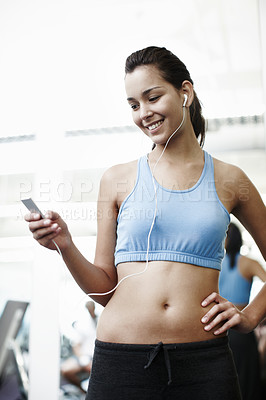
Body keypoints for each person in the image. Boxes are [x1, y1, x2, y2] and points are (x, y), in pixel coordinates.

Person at [24, 46, 266, 400]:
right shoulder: (116, 180)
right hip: (122, 363)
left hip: (203, 364)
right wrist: (65, 245)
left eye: (152, 97)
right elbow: (104, 290)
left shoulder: (231, 180)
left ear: (185, 92)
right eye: (134, 105)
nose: (144, 113)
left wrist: (249, 316)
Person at [218, 222, 266, 399]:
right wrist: (257, 315)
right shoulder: (248, 263)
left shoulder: (211, 266)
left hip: (213, 327)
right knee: (246, 382)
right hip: (240, 329)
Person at [61, 301, 98, 393]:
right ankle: (83, 392)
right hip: (84, 357)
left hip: (99, 357)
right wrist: (84, 360)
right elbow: (76, 345)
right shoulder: (82, 324)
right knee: (65, 370)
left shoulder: (103, 320)